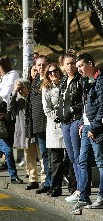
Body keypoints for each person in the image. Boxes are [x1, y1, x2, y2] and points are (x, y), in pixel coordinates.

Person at [70, 53, 103, 213]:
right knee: (82, 161)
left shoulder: (100, 80)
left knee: (100, 162)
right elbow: (85, 106)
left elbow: (102, 107)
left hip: (96, 129)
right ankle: (83, 197)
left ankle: (101, 196)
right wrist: (83, 124)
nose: (79, 70)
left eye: (81, 66)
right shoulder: (86, 82)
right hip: (87, 127)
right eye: (78, 68)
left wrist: (94, 128)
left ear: (90, 63)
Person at [57, 52, 83, 203]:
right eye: (68, 63)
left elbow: (83, 101)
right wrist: (58, 111)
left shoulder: (80, 80)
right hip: (64, 122)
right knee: (72, 157)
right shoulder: (64, 80)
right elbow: (61, 99)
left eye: (73, 63)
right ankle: (79, 189)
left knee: (78, 156)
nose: (71, 66)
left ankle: (80, 189)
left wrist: (72, 109)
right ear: (64, 65)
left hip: (75, 120)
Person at [26, 55, 50, 194]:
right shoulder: (35, 80)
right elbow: (31, 103)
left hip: (50, 123)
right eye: (38, 65)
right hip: (38, 124)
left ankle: (52, 182)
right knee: (44, 155)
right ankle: (47, 182)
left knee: (52, 155)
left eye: (43, 65)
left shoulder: (51, 80)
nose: (41, 68)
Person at [42, 63, 66, 197]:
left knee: (69, 159)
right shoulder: (47, 88)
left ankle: (74, 188)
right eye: (50, 73)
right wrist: (58, 116)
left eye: (55, 71)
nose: (53, 74)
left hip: (67, 125)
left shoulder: (65, 84)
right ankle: (56, 188)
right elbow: (47, 109)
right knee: (55, 161)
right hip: (55, 126)